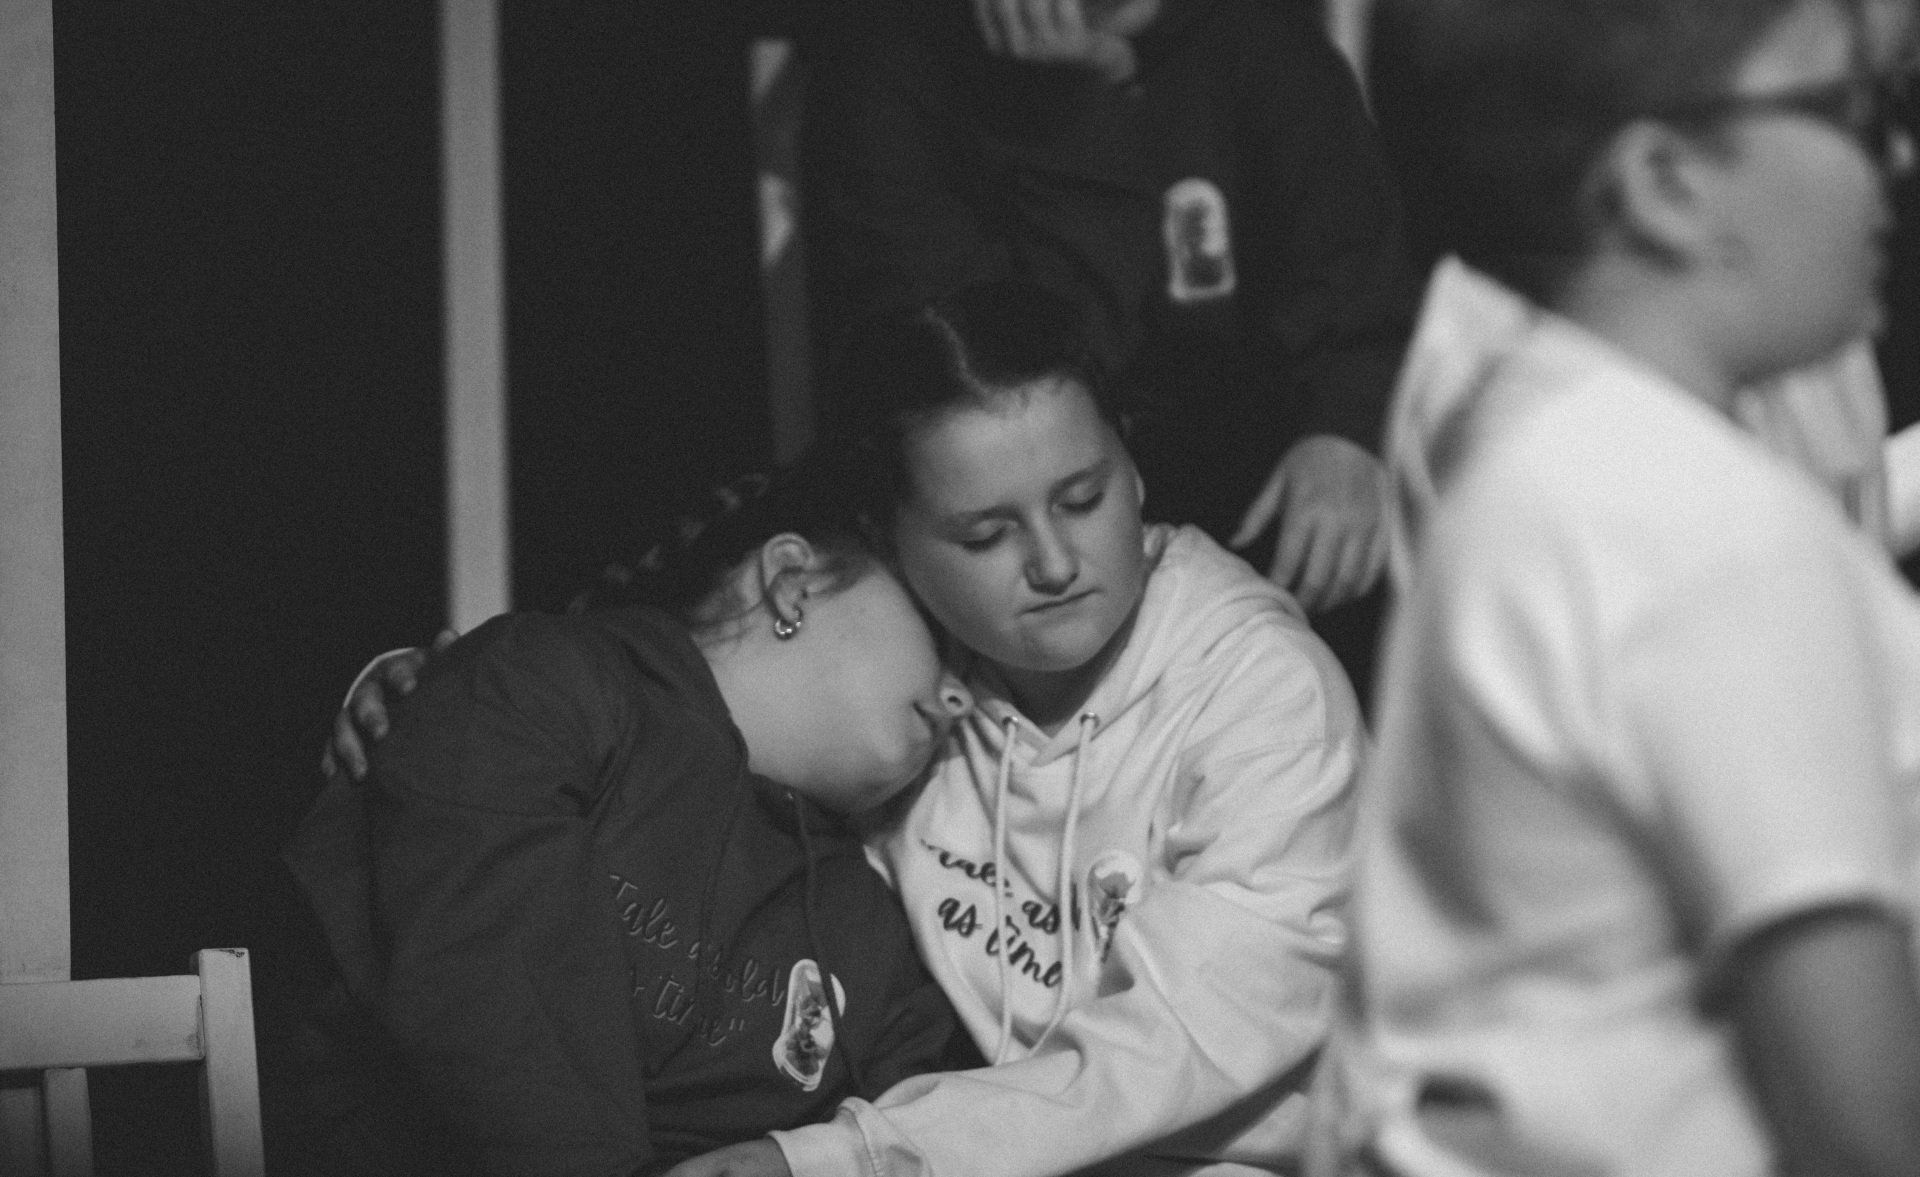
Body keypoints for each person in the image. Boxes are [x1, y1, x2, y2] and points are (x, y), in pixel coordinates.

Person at [335, 279, 1366, 1177]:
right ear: (894, 541)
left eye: (1084, 498)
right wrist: (426, 691)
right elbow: (682, 711)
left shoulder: (1268, 694)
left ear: (1133, 470)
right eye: (986, 534)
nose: (1056, 563)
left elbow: (1182, 1038)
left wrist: (851, 1156)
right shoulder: (917, 690)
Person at [1312, 0, 1920, 1172]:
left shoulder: (1539, 438)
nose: (1895, 155)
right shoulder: (1698, 521)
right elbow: (1866, 1125)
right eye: (1849, 108)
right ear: (1665, 184)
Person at [278, 460, 977, 1176]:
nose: (962, 698)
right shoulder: (549, 683)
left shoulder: (879, 931)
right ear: (792, 582)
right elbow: (482, 1002)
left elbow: (913, 1137)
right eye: (938, 635)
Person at [798, 0, 1418, 696]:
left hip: (1238, 478)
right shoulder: (896, 58)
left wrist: (1346, 430)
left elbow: (1360, 285)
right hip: (1008, 497)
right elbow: (992, 377)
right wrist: (1069, 118)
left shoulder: (1263, 44)